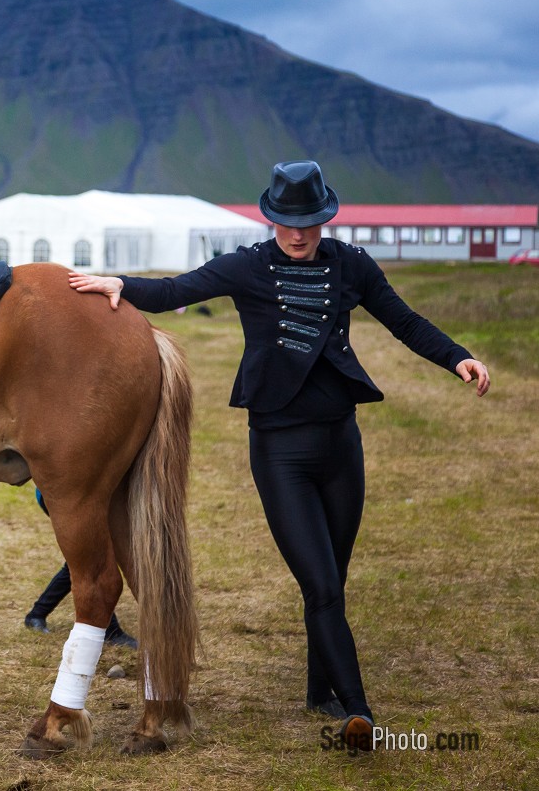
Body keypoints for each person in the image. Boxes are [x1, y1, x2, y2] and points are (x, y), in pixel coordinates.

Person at [69, 161, 489, 753]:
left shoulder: (351, 265)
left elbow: (403, 321)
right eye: (288, 223)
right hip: (280, 451)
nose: (299, 234)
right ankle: (360, 716)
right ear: (271, 218)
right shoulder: (248, 266)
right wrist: (119, 284)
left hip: (341, 445)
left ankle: (321, 689)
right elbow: (176, 290)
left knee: (332, 579)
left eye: (310, 222)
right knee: (319, 585)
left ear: (325, 217)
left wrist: (456, 357)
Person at [23, 488, 137, 648]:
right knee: (94, 560)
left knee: (84, 561)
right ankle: (110, 631)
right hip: (70, 494)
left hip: (96, 493)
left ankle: (37, 613)